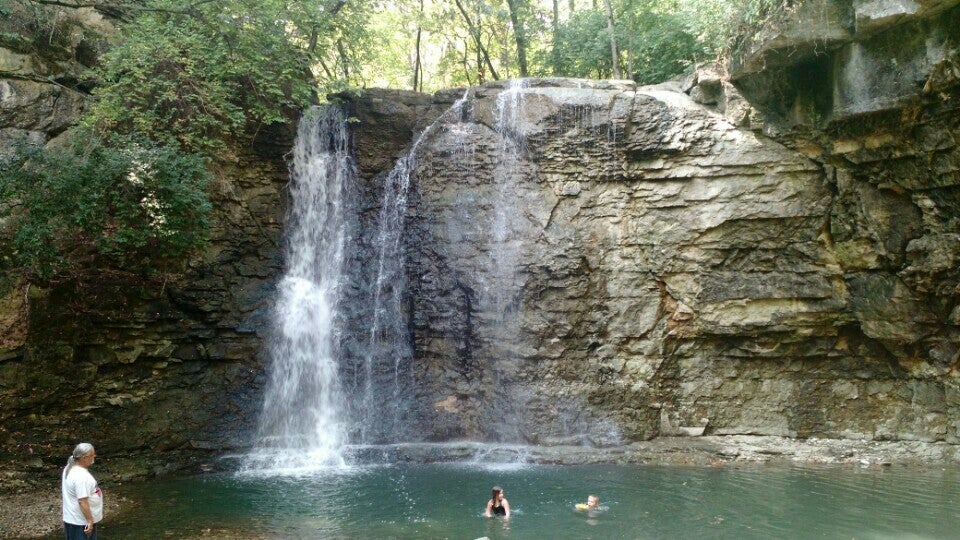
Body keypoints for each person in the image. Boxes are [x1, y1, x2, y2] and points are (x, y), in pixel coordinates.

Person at [62, 443, 103, 540]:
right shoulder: (81, 477)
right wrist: (89, 521)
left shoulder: (69, 467)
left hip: (73, 519)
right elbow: (82, 501)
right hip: (81, 522)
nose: (94, 456)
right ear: (84, 458)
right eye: (92, 455)